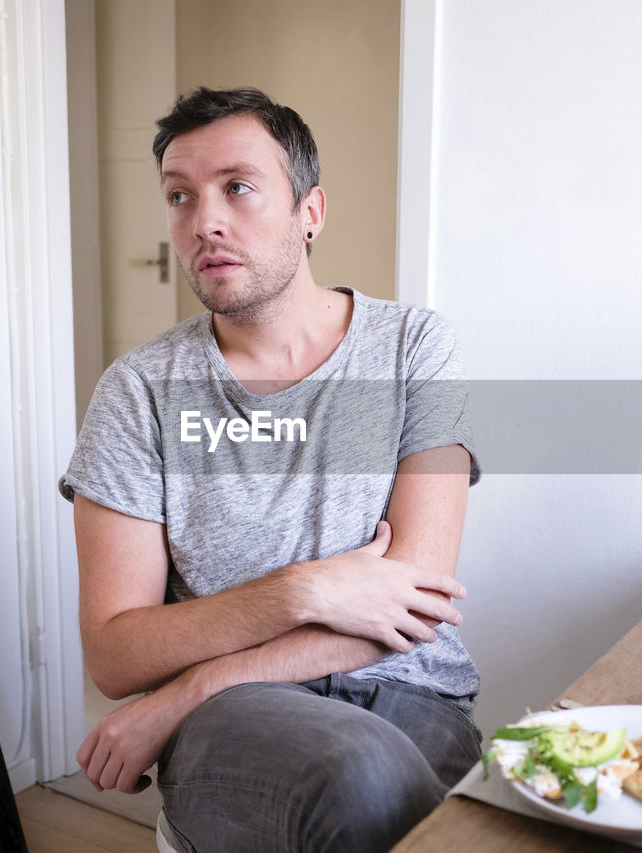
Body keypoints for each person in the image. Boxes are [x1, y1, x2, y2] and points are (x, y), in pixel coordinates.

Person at [59, 87, 482, 853]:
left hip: (409, 688)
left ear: (310, 211)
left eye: (238, 188)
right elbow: (115, 654)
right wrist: (308, 589)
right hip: (239, 721)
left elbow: (412, 605)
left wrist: (188, 687)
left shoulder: (415, 348)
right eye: (179, 196)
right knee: (368, 780)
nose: (204, 221)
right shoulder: (137, 392)